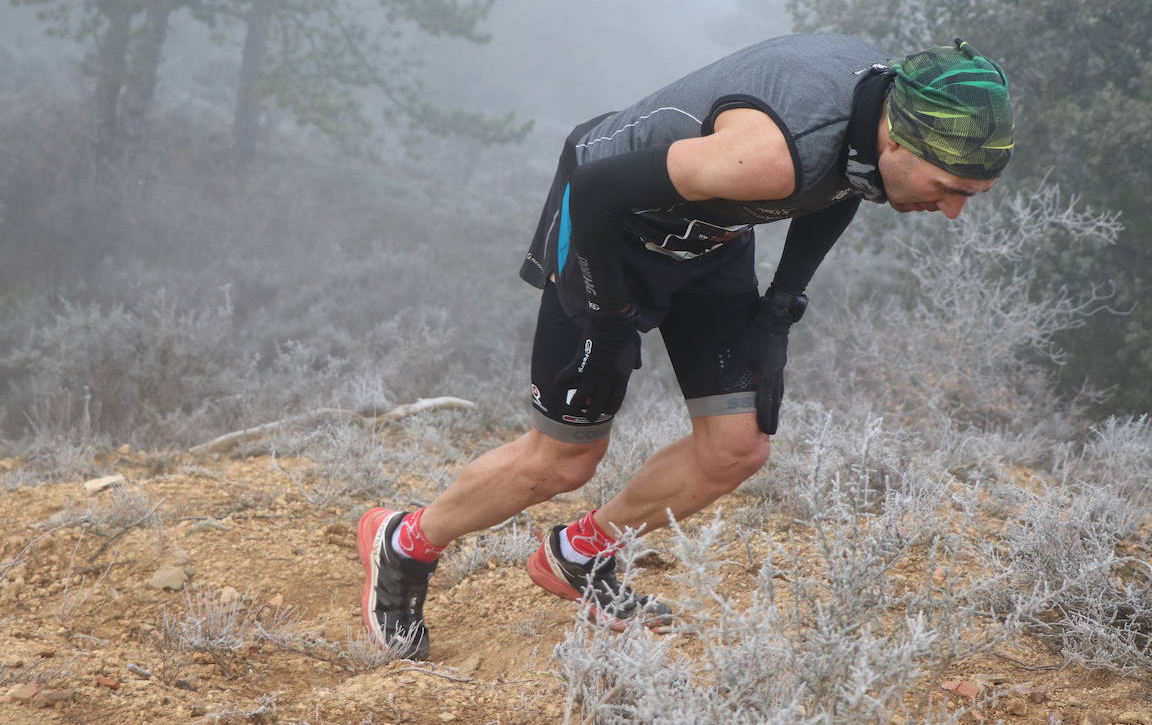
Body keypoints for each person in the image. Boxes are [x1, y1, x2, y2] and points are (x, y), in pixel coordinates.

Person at [356, 33, 1014, 659]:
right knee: (564, 460)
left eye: (972, 195)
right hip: (606, 232)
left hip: (714, 239)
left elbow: (844, 185)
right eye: (949, 188)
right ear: (899, 138)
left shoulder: (882, 105)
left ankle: (578, 555)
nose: (953, 211)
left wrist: (778, 312)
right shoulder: (768, 155)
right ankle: (405, 542)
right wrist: (610, 321)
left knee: (737, 447)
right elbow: (598, 188)